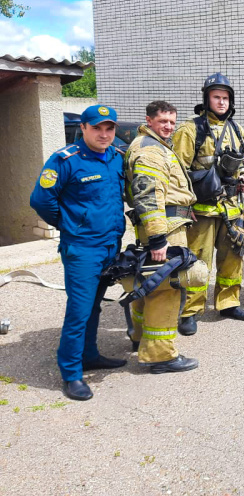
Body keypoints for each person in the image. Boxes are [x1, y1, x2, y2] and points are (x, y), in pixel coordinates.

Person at [30, 105, 127, 401]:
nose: (104, 134)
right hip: (83, 248)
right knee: (79, 311)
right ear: (83, 128)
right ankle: (71, 373)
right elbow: (41, 200)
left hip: (110, 244)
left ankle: (89, 354)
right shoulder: (65, 159)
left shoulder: (116, 158)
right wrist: (70, 224)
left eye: (109, 128)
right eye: (97, 127)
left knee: (96, 306)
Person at [172, 73, 244, 335]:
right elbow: (178, 173)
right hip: (202, 210)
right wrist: (183, 213)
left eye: (225, 98)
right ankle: (191, 311)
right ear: (206, 99)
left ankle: (228, 303)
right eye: (216, 97)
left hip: (232, 208)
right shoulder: (190, 129)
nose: (221, 102)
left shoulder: (236, 129)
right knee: (198, 263)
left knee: (233, 259)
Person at [125, 100, 199, 373]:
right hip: (165, 229)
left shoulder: (154, 145)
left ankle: (139, 337)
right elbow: (148, 195)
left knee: (149, 285)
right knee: (167, 289)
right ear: (149, 120)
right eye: (163, 121)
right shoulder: (151, 151)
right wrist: (158, 239)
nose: (168, 126)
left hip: (164, 225)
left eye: (171, 121)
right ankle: (160, 356)